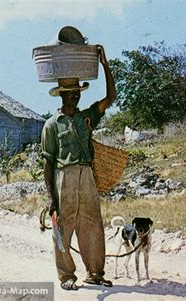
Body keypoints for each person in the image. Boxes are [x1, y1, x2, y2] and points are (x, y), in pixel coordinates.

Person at [41, 45, 116, 290]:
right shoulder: (51, 125)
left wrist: (105, 65)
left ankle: (95, 272)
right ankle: (67, 276)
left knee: (92, 223)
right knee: (62, 227)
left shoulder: (88, 117)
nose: (76, 95)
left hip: (86, 176)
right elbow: (48, 162)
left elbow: (110, 98)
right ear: (61, 94)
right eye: (70, 92)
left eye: (77, 91)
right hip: (63, 177)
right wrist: (51, 197)